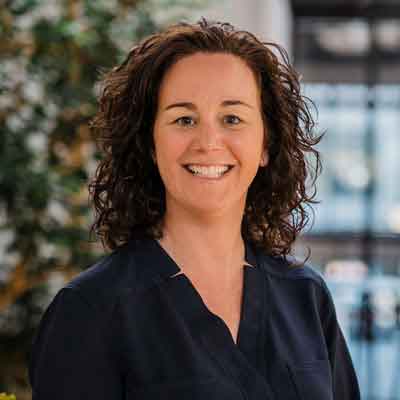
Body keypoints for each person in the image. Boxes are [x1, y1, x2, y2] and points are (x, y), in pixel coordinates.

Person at [28, 18, 360, 399]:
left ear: (266, 144)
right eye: (183, 119)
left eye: (232, 118)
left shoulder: (306, 297)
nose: (208, 142)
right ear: (150, 144)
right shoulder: (92, 309)